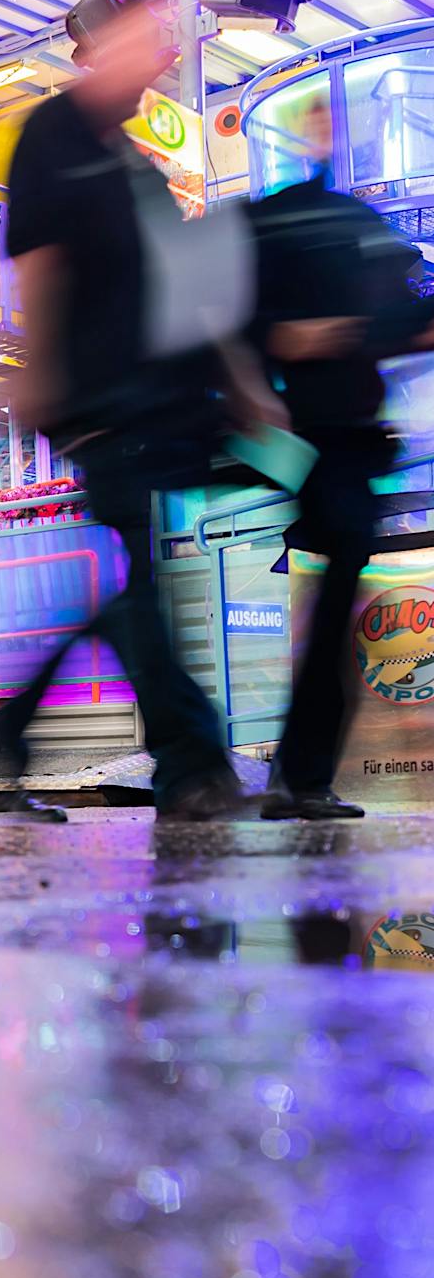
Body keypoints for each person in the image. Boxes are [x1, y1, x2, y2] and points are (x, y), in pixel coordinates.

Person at [0, 0, 261, 821]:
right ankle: (192, 763)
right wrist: (40, 373)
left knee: (132, 590)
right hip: (92, 397)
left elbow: (185, 285)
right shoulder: (53, 136)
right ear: (97, 50)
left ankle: (13, 730)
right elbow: (40, 260)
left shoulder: (135, 164)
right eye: (151, 44)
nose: (163, 60)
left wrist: (239, 385)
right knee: (138, 586)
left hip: (148, 403)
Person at [247, 94, 434, 820]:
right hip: (311, 436)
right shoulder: (288, 221)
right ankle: (299, 776)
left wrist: (345, 332)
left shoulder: (352, 222)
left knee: (332, 602)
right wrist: (291, 338)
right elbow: (239, 318)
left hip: (342, 436)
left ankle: (300, 775)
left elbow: (404, 315)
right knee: (331, 600)